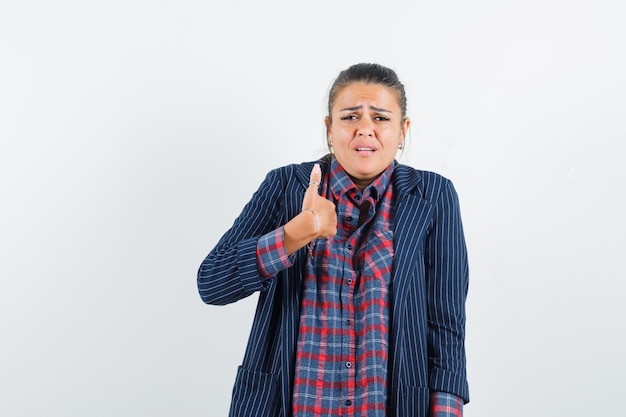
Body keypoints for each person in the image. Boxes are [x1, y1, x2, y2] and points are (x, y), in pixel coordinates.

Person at [198, 63, 469, 417]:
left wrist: (447, 410)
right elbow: (213, 282)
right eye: (350, 117)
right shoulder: (285, 186)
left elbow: (445, 326)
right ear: (329, 128)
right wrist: (297, 232)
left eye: (381, 118)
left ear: (403, 131)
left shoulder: (434, 196)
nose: (365, 129)